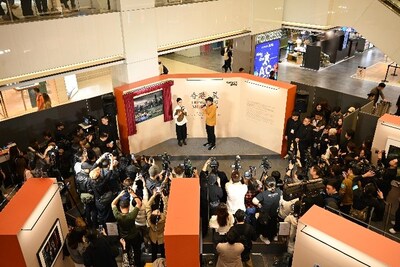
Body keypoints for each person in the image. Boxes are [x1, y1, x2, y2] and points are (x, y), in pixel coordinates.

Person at [111, 189, 143, 267]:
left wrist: (119, 195)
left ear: (120, 207)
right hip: (134, 236)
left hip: (124, 237)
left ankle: (129, 262)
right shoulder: (131, 216)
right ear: (129, 206)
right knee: (137, 251)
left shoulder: (117, 215)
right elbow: (139, 203)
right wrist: (132, 193)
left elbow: (112, 204)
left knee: (126, 251)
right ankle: (138, 263)